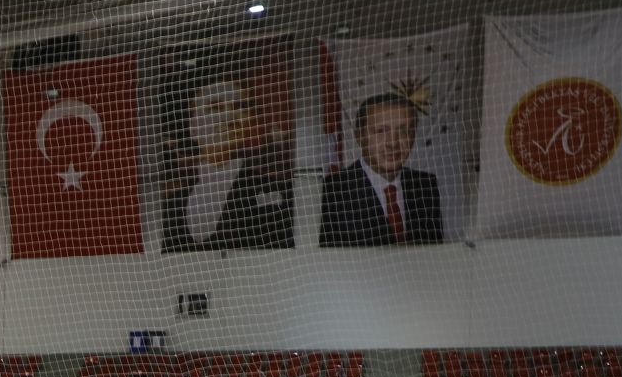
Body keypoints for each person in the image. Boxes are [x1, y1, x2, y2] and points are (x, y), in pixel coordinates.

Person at [162, 79, 294, 253]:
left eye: (240, 106)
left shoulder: (276, 191)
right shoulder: (170, 204)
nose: (230, 117)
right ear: (192, 126)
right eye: (215, 107)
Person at [318, 92, 444, 248]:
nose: (393, 143)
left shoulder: (425, 185)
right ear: (359, 136)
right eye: (380, 131)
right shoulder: (332, 192)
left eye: (404, 131)